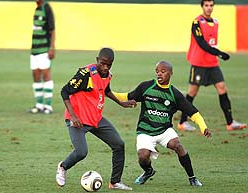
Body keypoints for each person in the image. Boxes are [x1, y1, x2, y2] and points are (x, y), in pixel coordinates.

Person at [114, 61, 211, 186]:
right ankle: (148, 171)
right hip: (145, 131)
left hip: (164, 130)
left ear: (170, 73)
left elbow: (193, 113)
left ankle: (192, 178)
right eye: (157, 71)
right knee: (143, 156)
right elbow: (126, 96)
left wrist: (204, 128)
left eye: (163, 71)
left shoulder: (175, 94)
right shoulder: (146, 87)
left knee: (177, 145)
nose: (159, 74)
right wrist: (107, 93)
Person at [56, 48, 136, 191]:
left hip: (95, 118)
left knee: (119, 144)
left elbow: (106, 90)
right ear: (97, 59)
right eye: (103, 63)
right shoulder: (85, 74)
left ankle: (115, 182)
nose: (105, 67)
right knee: (81, 152)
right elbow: (65, 91)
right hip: (78, 120)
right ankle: (63, 167)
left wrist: (121, 103)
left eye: (109, 65)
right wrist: (73, 116)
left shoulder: (107, 75)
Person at [178, 0, 246, 131]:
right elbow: (201, 42)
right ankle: (182, 122)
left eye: (211, 5)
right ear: (202, 6)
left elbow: (211, 42)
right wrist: (219, 53)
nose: (209, 8)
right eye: (206, 5)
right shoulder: (197, 22)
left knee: (222, 88)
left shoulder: (215, 22)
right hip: (199, 62)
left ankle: (230, 122)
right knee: (192, 92)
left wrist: (216, 55)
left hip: (212, 63)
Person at [29, 0, 55, 114]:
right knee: (35, 76)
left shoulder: (46, 8)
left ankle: (48, 106)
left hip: (44, 49)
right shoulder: (37, 9)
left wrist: (52, 48)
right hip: (34, 49)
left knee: (46, 75)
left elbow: (52, 30)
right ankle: (39, 105)